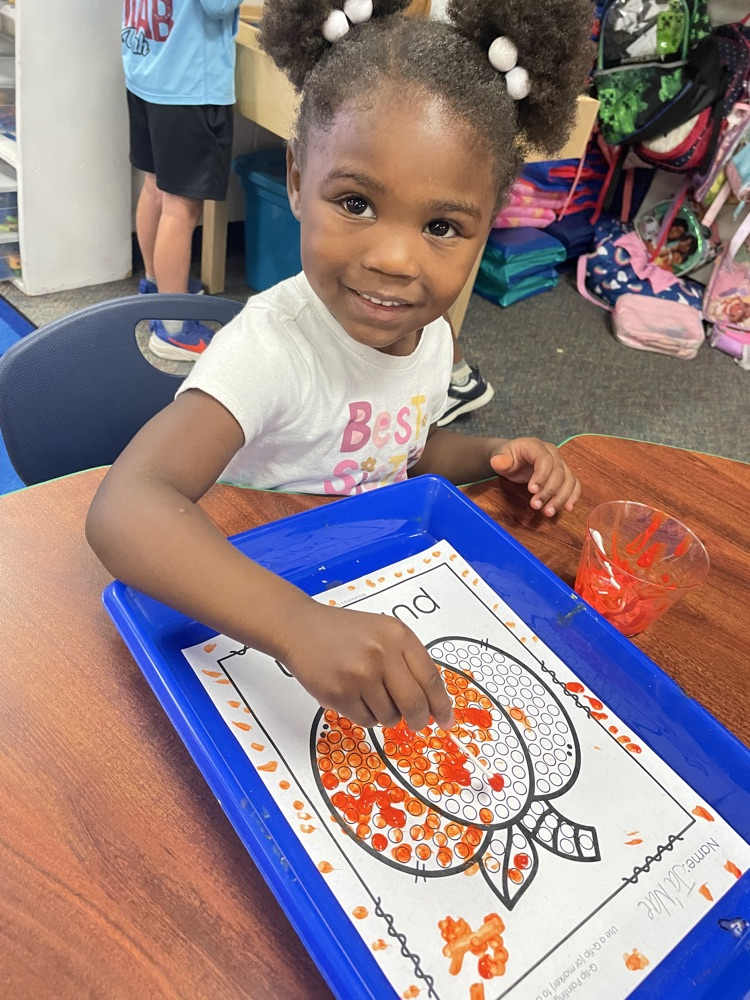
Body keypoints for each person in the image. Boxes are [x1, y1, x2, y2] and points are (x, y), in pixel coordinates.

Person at [89, 0, 592, 735]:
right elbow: (125, 510)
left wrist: (487, 457)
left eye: (442, 226)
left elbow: (399, 451)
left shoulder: (432, 341)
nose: (393, 259)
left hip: (356, 585)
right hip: (241, 608)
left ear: (489, 222)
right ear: (297, 179)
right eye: (356, 202)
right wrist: (297, 627)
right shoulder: (270, 350)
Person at [122, 0, 243, 361]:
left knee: (155, 186)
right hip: (187, 84)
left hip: (146, 68)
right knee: (181, 210)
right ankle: (173, 329)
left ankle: (159, 288)